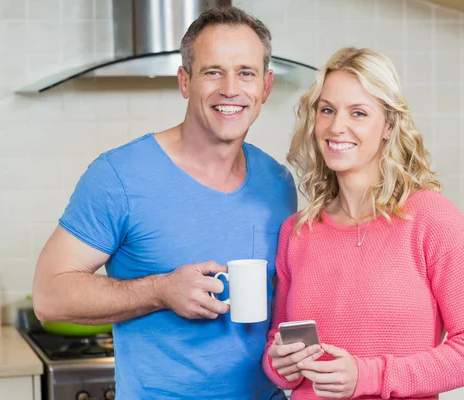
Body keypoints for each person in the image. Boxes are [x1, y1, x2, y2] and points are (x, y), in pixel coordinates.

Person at [32, 6, 297, 400]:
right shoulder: (118, 175)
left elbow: (285, 298)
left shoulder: (277, 182)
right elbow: (49, 297)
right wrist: (161, 290)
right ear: (185, 81)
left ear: (266, 86)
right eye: (213, 71)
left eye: (246, 72)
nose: (230, 88)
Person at [262, 47, 464, 399]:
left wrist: (370, 376)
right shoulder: (297, 232)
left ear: (388, 125)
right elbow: (278, 347)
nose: (336, 126)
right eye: (327, 110)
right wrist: (279, 364)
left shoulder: (432, 220)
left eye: (358, 113)